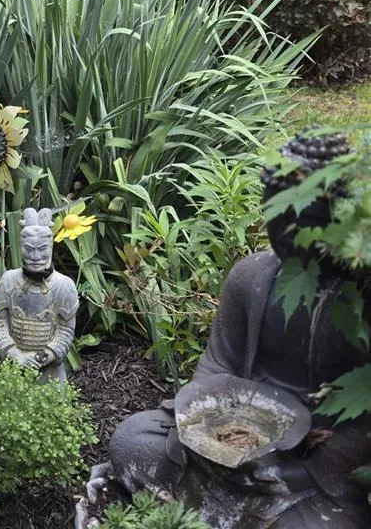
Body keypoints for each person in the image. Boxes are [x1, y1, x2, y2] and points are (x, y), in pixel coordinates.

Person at [104, 132, 371, 528]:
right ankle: (225, 505)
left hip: (313, 456)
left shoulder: (360, 298)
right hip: (232, 427)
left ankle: (210, 509)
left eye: (305, 222)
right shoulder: (251, 277)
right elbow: (218, 364)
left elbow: (365, 418)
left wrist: (298, 472)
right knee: (131, 440)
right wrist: (201, 433)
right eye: (277, 217)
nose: (287, 234)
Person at [0, 208, 79, 382]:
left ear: (51, 247)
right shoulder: (8, 281)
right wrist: (15, 355)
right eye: (29, 249)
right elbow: (0, 323)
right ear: (21, 247)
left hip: (50, 372)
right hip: (13, 366)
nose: (35, 256)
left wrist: (47, 355)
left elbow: (65, 329)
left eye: (42, 249)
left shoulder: (64, 286)